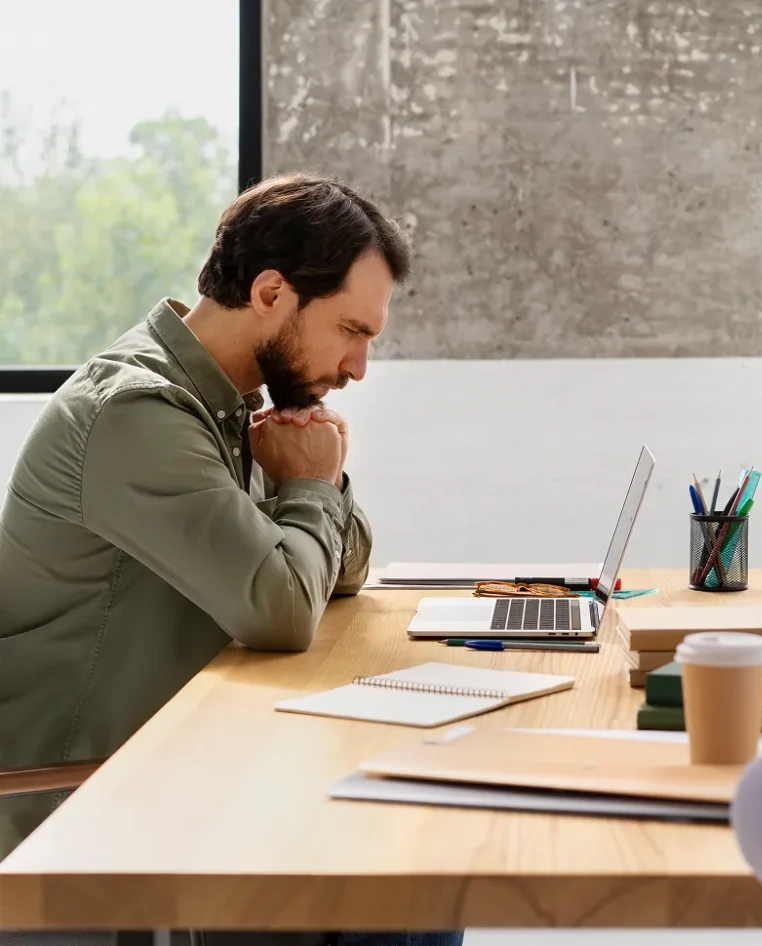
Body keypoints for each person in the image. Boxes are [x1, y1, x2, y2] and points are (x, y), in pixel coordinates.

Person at [0, 173, 463, 946]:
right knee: (403, 889)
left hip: (188, 768)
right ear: (271, 292)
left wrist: (317, 478)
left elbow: (342, 573)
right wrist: (311, 484)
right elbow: (282, 609)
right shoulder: (137, 414)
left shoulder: (227, 405)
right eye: (351, 330)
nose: (358, 367)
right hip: (85, 802)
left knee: (419, 856)